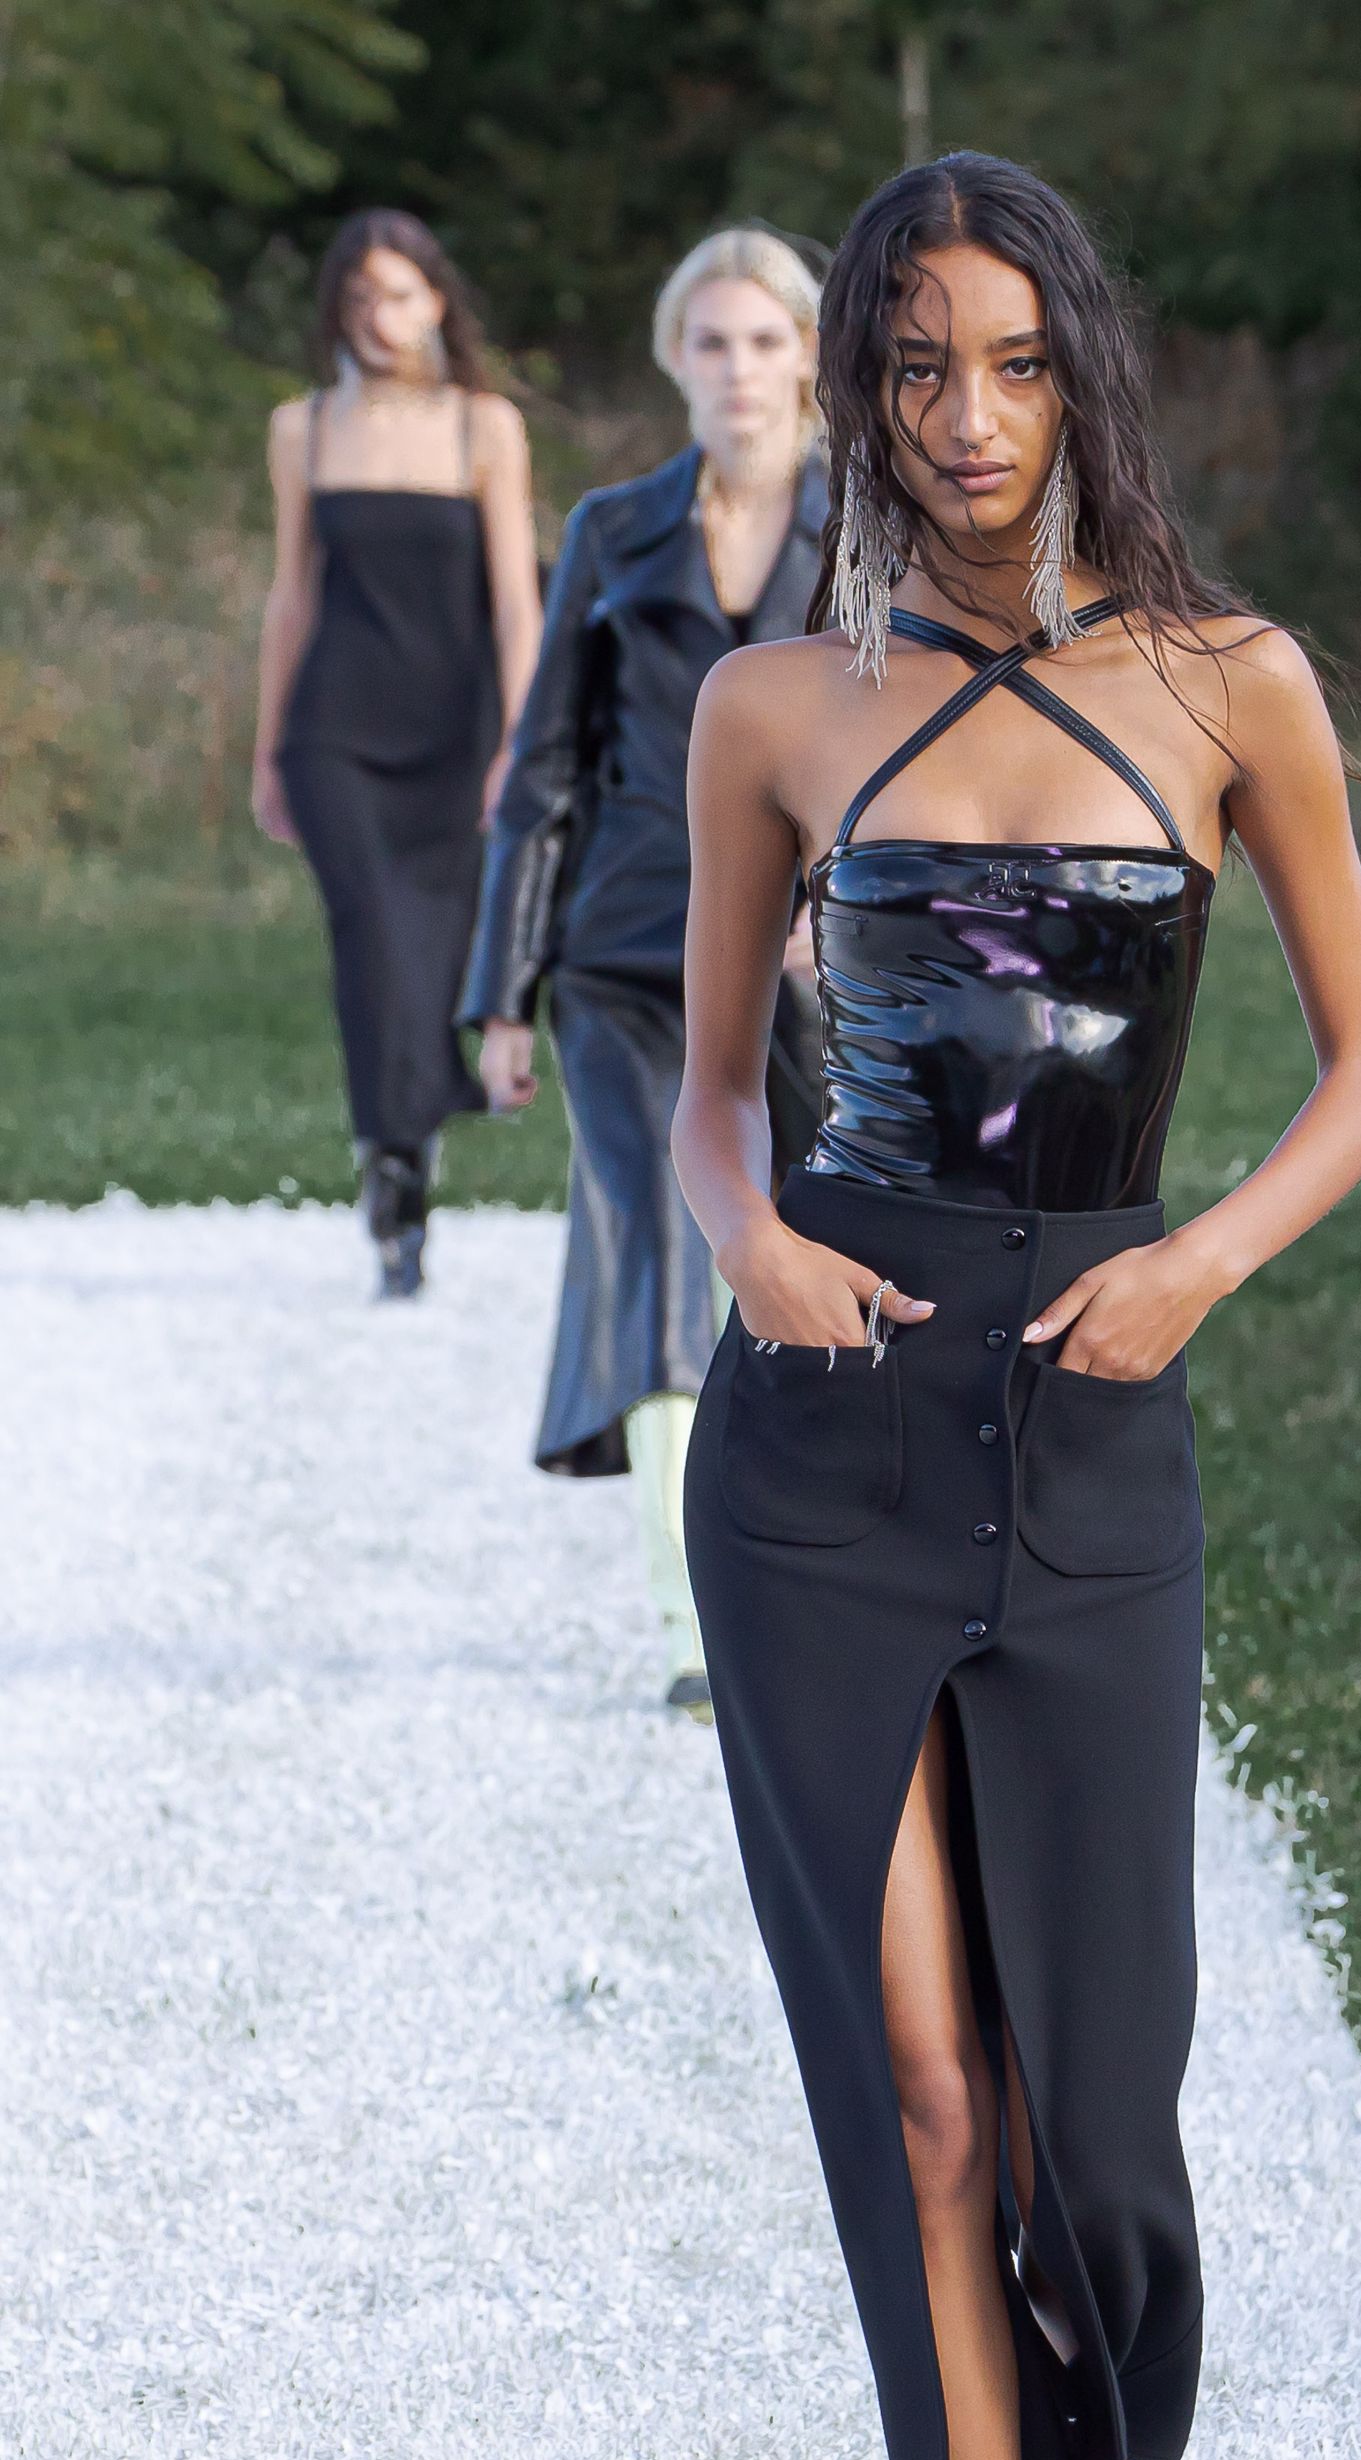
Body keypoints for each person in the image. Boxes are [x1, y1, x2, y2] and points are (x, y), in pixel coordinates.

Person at [670, 153, 1361, 2460]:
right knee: (929, 2105)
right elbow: (718, 1083)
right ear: (858, 396)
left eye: (1012, 364)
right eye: (916, 374)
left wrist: (1199, 1263)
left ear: (1082, 369)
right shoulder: (779, 702)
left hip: (1098, 1423)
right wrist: (739, 1236)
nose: (968, 426)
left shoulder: (1234, 686)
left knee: (1098, 2130)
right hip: (827, 1452)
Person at [461, 229, 830, 1713]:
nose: (739, 371)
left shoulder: (878, 524)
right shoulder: (613, 533)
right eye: (712, 342)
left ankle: (821, 1567)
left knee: (819, 1247)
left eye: (765, 342)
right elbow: (542, 768)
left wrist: (852, 906)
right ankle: (700, 1629)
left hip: (825, 965)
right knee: (674, 1247)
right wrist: (501, 991)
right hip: (623, 956)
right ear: (675, 359)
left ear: (811, 356)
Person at [254, 211, 541, 1296]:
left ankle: (409, 1134)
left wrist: (523, 746)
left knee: (433, 942)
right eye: (359, 297)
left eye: (400, 293)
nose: (380, 317)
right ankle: (393, 1161)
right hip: (332, 728)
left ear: (437, 300)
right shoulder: (304, 429)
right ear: (337, 309)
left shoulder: (485, 428)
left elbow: (517, 606)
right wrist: (267, 747)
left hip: (457, 728)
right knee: (370, 932)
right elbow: (292, 597)